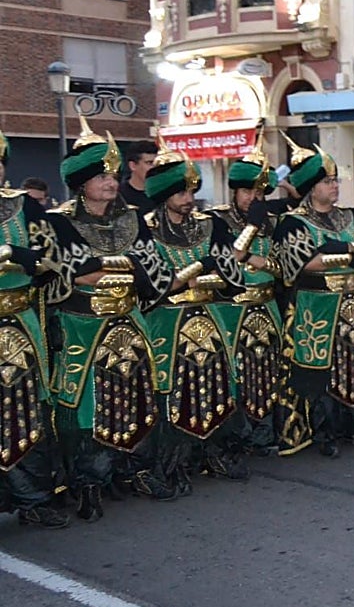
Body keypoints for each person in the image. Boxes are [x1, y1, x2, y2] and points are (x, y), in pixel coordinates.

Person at [44, 118, 174, 520]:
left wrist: (112, 266)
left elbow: (157, 270)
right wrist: (129, 265)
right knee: (86, 405)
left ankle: (136, 471)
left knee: (137, 396)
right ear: (81, 182)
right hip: (81, 324)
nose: (110, 181)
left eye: (112, 174)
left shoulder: (134, 219)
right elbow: (78, 273)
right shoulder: (59, 221)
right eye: (100, 175)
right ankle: (88, 482)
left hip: (130, 320)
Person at [142, 140, 249, 487]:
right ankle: (171, 466)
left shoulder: (210, 224)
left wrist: (197, 274)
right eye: (181, 191)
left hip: (210, 318)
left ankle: (215, 455)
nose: (189, 198)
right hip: (166, 323)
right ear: (164, 193)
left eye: (191, 190)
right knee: (174, 393)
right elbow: (158, 284)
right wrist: (201, 267)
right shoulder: (144, 229)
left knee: (217, 388)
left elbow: (233, 274)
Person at [272, 135, 354, 457]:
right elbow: (305, 262)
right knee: (320, 369)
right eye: (327, 181)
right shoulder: (292, 222)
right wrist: (352, 254)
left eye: (336, 180)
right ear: (311, 186)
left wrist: (344, 250)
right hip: (317, 305)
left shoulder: (351, 216)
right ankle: (324, 432)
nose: (334, 186)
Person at [0, 129, 71, 529]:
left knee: (24, 410)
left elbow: (51, 263)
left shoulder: (24, 206)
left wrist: (36, 264)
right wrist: (11, 254)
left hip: (21, 323)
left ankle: (34, 497)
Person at [209, 144, 294, 455]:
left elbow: (283, 266)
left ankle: (264, 435)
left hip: (268, 304)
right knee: (237, 371)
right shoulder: (215, 220)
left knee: (267, 369)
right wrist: (251, 228)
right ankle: (236, 436)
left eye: (259, 191)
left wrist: (260, 262)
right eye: (247, 190)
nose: (253, 198)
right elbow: (230, 259)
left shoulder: (274, 219)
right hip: (231, 307)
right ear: (235, 190)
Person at [119, 140, 158, 216]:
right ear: (133, 166)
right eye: (149, 163)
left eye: (157, 163)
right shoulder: (119, 196)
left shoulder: (163, 194)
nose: (155, 168)